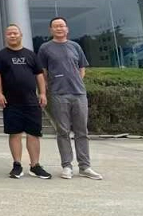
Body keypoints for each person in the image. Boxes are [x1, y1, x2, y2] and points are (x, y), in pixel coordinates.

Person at [37, 16, 103, 180]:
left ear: (67, 29)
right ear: (51, 30)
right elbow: (42, 72)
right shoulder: (45, 48)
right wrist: (47, 87)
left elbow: (82, 68)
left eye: (62, 26)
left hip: (79, 94)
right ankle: (67, 166)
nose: (59, 28)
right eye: (56, 26)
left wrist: (76, 82)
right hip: (59, 94)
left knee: (82, 131)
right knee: (63, 131)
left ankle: (85, 166)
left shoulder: (75, 46)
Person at [0, 24, 51, 179]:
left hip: (31, 101)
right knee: (15, 133)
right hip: (11, 102)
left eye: (15, 33)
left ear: (21, 35)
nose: (12, 36)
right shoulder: (1, 56)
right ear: (6, 36)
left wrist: (42, 93)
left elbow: (39, 75)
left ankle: (35, 165)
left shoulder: (31, 55)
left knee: (33, 134)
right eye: (9, 33)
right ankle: (17, 165)